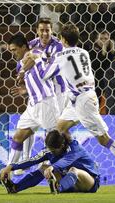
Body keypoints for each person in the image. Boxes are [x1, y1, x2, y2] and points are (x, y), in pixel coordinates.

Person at [24, 23, 115, 187]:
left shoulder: (61, 56)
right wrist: (47, 58)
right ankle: (65, 164)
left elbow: (45, 74)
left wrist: (38, 59)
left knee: (103, 139)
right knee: (58, 129)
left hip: (83, 101)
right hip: (78, 99)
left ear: (63, 39)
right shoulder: (84, 52)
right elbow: (66, 63)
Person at [13, 18, 78, 175]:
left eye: (47, 30)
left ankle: (64, 160)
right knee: (29, 125)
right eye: (41, 30)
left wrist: (30, 64)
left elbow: (47, 66)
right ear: (37, 30)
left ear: (52, 31)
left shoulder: (58, 45)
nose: (44, 33)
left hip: (58, 93)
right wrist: (25, 69)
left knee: (57, 131)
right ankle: (25, 161)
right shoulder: (32, 43)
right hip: (40, 93)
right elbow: (21, 62)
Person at [6, 33, 59, 171]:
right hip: (33, 105)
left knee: (55, 142)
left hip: (46, 102)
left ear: (23, 47)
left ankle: (63, 171)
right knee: (17, 137)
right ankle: (7, 173)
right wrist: (25, 91)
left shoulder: (34, 52)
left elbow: (34, 58)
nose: (12, 53)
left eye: (14, 50)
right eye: (10, 51)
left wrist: (23, 70)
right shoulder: (20, 65)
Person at [0, 130, 100, 194]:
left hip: (89, 183)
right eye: (49, 149)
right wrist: (11, 167)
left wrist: (52, 167)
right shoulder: (49, 150)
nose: (51, 152)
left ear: (62, 145)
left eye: (53, 150)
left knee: (74, 170)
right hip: (68, 183)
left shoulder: (75, 147)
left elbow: (65, 161)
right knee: (43, 167)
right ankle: (15, 188)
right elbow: (32, 160)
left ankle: (58, 188)